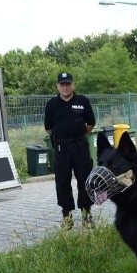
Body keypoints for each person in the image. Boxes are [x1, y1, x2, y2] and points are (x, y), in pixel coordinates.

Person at [44, 72, 96, 230]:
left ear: (73, 85)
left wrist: (77, 135)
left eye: (68, 84)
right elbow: (48, 128)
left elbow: (91, 123)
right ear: (57, 86)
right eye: (62, 84)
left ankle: (87, 214)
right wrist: (63, 136)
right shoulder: (52, 104)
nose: (65, 87)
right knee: (62, 181)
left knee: (85, 180)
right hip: (61, 148)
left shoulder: (83, 101)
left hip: (80, 146)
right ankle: (67, 216)